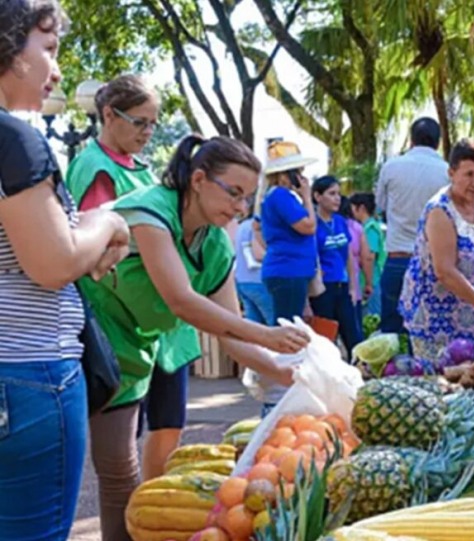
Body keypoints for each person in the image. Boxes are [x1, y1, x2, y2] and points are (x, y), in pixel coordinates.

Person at [81, 135, 308, 541]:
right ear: (199, 179)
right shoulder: (150, 210)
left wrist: (286, 374)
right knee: (76, 466)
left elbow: (230, 332)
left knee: (120, 468)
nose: (240, 207)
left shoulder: (216, 246)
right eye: (233, 193)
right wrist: (268, 335)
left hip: (133, 350)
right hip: (81, 338)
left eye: (247, 198)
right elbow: (181, 300)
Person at [0, 2, 130, 538]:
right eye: (48, 49)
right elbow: (53, 263)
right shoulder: (13, 140)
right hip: (27, 373)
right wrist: (107, 223)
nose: (56, 70)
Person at [65, 74, 195, 482]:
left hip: (161, 325)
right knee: (121, 457)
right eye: (140, 122)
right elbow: (104, 260)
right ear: (109, 115)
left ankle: (157, 506)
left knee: (169, 424)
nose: (149, 132)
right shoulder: (93, 167)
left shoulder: (142, 169)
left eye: (154, 123)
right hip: (122, 325)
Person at [399, 139, 474, 362]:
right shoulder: (440, 211)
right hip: (436, 323)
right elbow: (445, 272)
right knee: (443, 379)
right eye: (469, 174)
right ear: (451, 173)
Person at [375, 117, 449, 333]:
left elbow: (380, 206)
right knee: (430, 331)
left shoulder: (391, 167)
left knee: (391, 334)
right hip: (432, 263)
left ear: (411, 140)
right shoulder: (447, 172)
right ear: (438, 142)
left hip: (398, 258)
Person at [259, 141, 318, 322]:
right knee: (288, 326)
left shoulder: (276, 196)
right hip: (289, 270)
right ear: (285, 174)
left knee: (288, 322)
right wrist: (307, 197)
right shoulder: (280, 196)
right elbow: (309, 227)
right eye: (297, 172)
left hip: (289, 269)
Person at [310, 176, 364, 353]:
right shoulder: (312, 224)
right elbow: (310, 256)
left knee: (354, 337)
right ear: (318, 196)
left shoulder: (340, 221)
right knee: (325, 339)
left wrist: (353, 287)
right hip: (323, 288)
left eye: (338, 194)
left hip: (343, 284)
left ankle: (358, 367)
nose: (337, 199)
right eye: (331, 194)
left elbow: (348, 255)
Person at [339, 195, 374, 327]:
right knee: (353, 327)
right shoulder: (356, 228)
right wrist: (369, 283)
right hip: (353, 285)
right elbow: (367, 257)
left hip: (330, 284)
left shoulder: (325, 226)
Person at [351, 192, 386, 317]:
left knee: (371, 317)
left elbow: (369, 257)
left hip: (372, 279)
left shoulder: (370, 228)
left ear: (361, 208)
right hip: (367, 279)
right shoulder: (365, 226)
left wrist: (369, 283)